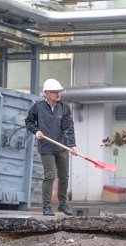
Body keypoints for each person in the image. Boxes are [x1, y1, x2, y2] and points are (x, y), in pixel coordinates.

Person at [25, 78, 77, 216]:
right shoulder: (38, 107)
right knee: (50, 176)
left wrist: (72, 145)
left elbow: (69, 128)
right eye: (54, 92)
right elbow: (29, 121)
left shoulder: (64, 108)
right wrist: (36, 131)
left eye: (59, 92)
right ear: (47, 93)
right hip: (46, 147)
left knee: (64, 177)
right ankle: (47, 206)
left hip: (62, 147)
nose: (58, 94)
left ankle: (63, 205)